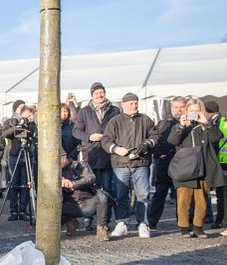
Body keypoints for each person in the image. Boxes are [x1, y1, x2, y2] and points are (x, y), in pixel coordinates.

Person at [101, 92, 159, 239]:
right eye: (130, 103)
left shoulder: (145, 120)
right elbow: (106, 140)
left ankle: (143, 224)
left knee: (143, 195)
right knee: (121, 195)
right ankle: (121, 222)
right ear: (123, 104)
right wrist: (116, 149)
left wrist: (147, 144)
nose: (134, 106)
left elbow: (155, 135)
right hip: (120, 163)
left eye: (135, 103)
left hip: (141, 162)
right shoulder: (115, 121)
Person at [167, 98, 222, 238]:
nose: (194, 114)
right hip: (185, 168)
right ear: (186, 111)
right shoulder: (181, 126)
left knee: (202, 200)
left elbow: (216, 138)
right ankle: (184, 228)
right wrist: (181, 126)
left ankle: (198, 227)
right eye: (192, 111)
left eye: (197, 111)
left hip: (203, 168)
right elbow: (172, 141)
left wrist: (206, 123)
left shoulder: (206, 126)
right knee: (183, 200)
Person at [73, 82, 120, 227]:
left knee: (107, 189)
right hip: (91, 155)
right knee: (90, 189)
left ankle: (104, 222)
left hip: (108, 154)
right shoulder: (85, 111)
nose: (100, 95)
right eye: (96, 93)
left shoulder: (114, 110)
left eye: (102, 92)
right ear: (92, 95)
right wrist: (89, 136)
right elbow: (76, 131)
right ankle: (89, 218)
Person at [148, 96, 186, 229]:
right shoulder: (164, 123)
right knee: (160, 193)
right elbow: (155, 139)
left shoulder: (190, 123)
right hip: (166, 163)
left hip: (184, 165)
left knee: (182, 195)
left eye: (182, 107)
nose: (179, 110)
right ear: (172, 107)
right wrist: (159, 154)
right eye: (176, 107)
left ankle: (183, 223)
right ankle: (152, 222)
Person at [58, 150, 111, 241]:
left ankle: (102, 227)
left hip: (87, 202)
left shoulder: (80, 165)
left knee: (102, 196)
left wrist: (73, 184)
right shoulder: (54, 171)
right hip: (68, 204)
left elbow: (90, 178)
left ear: (64, 156)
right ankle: (71, 221)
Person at [2, 100, 36, 221]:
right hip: (14, 155)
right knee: (13, 184)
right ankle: (13, 210)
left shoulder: (30, 122)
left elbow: (32, 134)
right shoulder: (10, 121)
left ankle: (23, 210)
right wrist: (17, 127)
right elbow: (5, 134)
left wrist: (27, 124)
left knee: (26, 184)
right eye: (21, 108)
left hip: (27, 154)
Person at [204, 101, 226, 234]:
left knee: (223, 194)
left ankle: (222, 221)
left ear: (207, 112)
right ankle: (220, 220)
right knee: (221, 194)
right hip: (222, 161)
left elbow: (215, 140)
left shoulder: (217, 123)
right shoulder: (222, 120)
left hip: (222, 161)